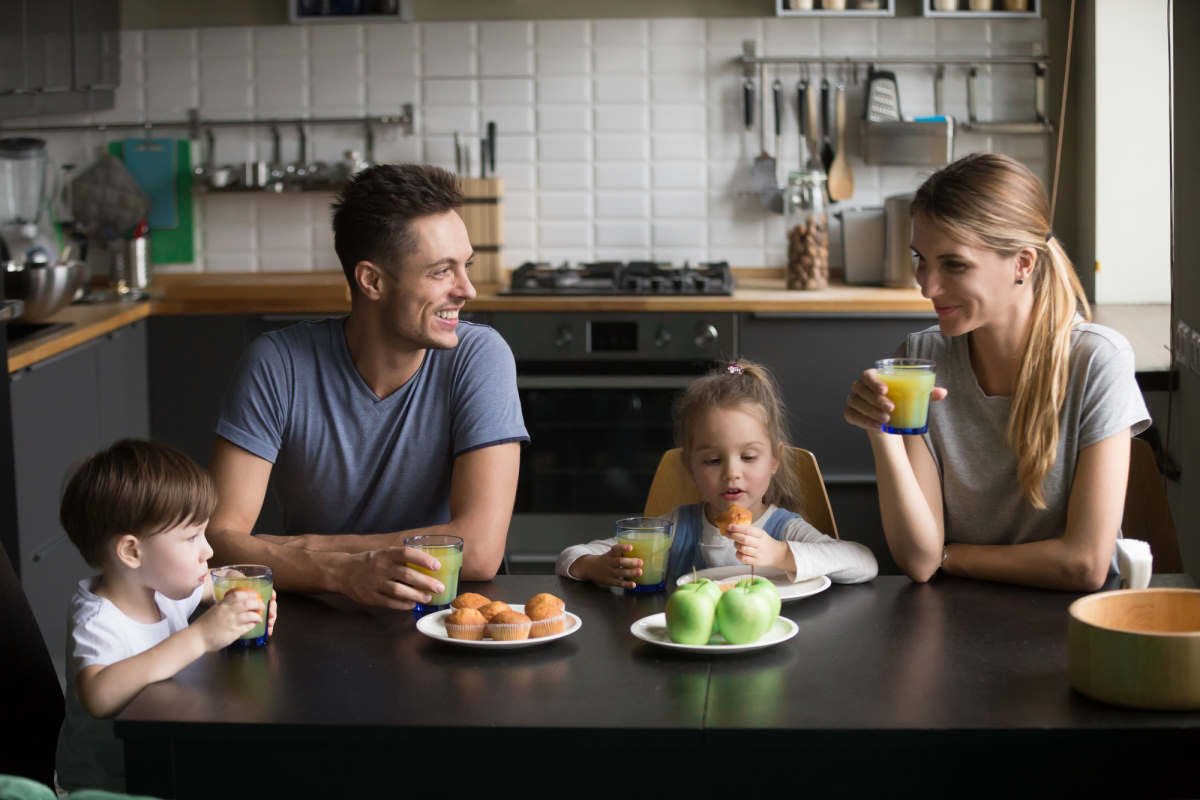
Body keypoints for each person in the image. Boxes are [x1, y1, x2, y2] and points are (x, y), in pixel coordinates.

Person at [206, 164, 529, 610]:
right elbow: (218, 542)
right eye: (441, 272)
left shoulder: (480, 356)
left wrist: (303, 549)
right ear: (372, 280)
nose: (468, 289)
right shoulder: (277, 363)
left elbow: (478, 550)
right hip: (311, 615)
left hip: (447, 617)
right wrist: (341, 572)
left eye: (466, 266)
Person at [843, 153, 1150, 591]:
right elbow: (918, 559)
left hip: (1069, 625)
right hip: (953, 620)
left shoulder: (1097, 362)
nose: (927, 286)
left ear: (1023, 263)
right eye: (921, 259)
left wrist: (951, 555)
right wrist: (881, 433)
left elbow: (1083, 565)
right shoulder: (922, 356)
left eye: (954, 264)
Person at [55, 439, 277, 793]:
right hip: (109, 786)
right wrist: (200, 637)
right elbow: (98, 695)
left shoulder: (161, 588)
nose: (209, 550)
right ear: (131, 551)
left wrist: (242, 597)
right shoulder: (99, 619)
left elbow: (213, 589)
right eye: (191, 537)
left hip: (167, 757)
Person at [558, 360, 877, 589]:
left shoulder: (782, 530)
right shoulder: (676, 528)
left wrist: (781, 554)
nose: (731, 474)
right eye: (712, 460)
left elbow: (863, 561)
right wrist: (595, 566)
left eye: (749, 457)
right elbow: (570, 556)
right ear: (690, 467)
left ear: (775, 460)